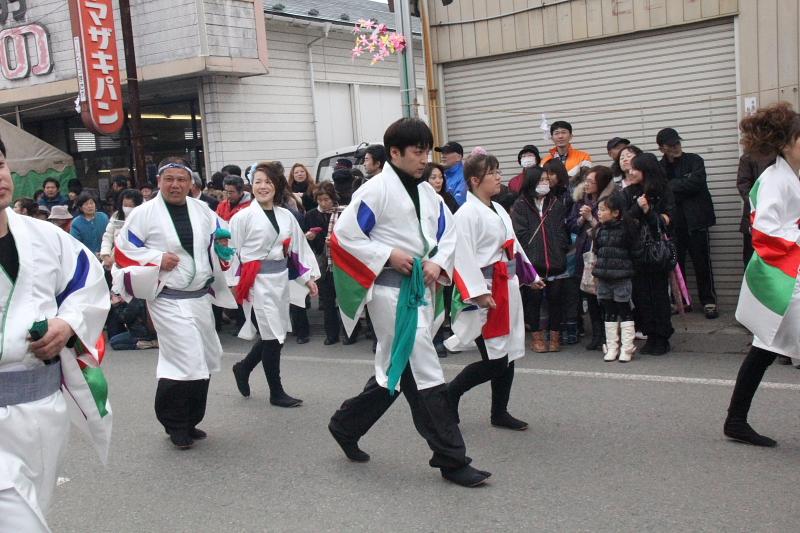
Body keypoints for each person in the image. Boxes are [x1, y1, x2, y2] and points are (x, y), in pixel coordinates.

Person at [327, 118, 490, 487]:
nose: (424, 159)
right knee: (423, 368)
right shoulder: (373, 192)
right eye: (418, 152)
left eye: (426, 151)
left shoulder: (428, 193)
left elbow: (448, 234)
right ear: (395, 153)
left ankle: (345, 424)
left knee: (395, 370)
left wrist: (436, 261)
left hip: (418, 290)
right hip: (389, 294)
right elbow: (343, 237)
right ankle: (451, 459)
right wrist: (387, 254)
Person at [0, 135, 112, 531]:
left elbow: (88, 284)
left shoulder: (45, 237)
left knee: (36, 502)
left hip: (43, 405)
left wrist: (67, 324)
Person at [112, 157, 237, 449]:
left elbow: (222, 234)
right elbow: (123, 251)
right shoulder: (144, 214)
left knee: (205, 358)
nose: (176, 185)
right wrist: (156, 259)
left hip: (199, 297)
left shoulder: (202, 209)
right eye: (169, 179)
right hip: (168, 298)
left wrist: (222, 248)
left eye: (181, 179)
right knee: (184, 358)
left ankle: (192, 420)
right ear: (159, 182)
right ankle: (174, 424)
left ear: (190, 182)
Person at [444, 152, 543, 430]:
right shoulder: (465, 214)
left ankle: (499, 412)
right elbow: (460, 257)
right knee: (495, 358)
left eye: (499, 171)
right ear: (475, 180)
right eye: (493, 173)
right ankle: (450, 394)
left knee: (508, 353)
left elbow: (514, 246)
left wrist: (529, 274)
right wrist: (477, 292)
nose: (499, 177)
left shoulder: (498, 209)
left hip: (506, 286)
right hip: (486, 290)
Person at [724, 102, 800, 447]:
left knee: (764, 348)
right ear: (787, 143)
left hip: (789, 274)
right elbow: (766, 233)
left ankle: (735, 421)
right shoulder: (774, 180)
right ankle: (735, 421)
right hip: (783, 279)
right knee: (766, 347)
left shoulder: (791, 176)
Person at [229, 162, 319, 407]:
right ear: (252, 185)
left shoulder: (286, 215)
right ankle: (276, 391)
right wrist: (233, 284)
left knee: (275, 334)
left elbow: (298, 249)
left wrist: (308, 277)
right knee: (272, 336)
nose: (262, 186)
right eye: (258, 181)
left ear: (277, 185)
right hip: (256, 281)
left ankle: (244, 367)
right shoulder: (242, 218)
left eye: (268, 181)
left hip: (279, 280)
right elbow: (231, 253)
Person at [656, 127, 718, 319]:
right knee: (677, 264)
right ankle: (682, 301)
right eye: (671, 145)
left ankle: (708, 301)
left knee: (702, 263)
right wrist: (682, 183)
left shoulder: (695, 160)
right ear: (662, 148)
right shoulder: (659, 167)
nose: (676, 147)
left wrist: (673, 186)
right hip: (674, 224)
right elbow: (661, 190)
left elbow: (696, 184)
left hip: (697, 220)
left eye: (678, 143)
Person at [512, 167, 571, 352]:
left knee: (556, 299)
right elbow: (519, 233)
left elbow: (563, 231)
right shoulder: (521, 205)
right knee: (533, 300)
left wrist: (560, 248)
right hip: (532, 262)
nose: (544, 183)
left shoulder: (556, 203)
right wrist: (530, 252)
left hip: (556, 260)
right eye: (540, 180)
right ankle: (536, 337)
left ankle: (555, 336)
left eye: (546, 179)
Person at [623, 153, 675, 355]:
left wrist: (648, 212)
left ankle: (662, 337)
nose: (630, 171)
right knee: (641, 295)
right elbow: (624, 220)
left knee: (659, 294)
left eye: (635, 168)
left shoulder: (663, 192)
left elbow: (667, 222)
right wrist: (638, 208)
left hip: (656, 252)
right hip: (635, 251)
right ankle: (650, 334)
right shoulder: (630, 193)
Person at [569, 165, 617, 350]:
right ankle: (596, 335)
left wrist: (591, 218)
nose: (587, 184)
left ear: (602, 183)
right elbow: (571, 225)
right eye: (586, 181)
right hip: (585, 252)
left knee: (604, 296)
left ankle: (608, 335)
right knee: (589, 293)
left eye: (591, 181)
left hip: (604, 252)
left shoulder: (610, 201)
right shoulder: (581, 199)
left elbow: (610, 228)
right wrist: (581, 219)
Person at [592, 193, 641, 362]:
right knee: (609, 311)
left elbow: (636, 253)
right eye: (598, 209)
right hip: (604, 278)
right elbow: (597, 252)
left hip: (622, 278)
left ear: (616, 212)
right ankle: (612, 347)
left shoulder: (628, 230)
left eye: (603, 210)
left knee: (624, 310)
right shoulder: (598, 230)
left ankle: (627, 348)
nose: (599, 213)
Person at [304, 182, 346, 344]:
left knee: (344, 300)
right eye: (320, 200)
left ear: (333, 198)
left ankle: (350, 333)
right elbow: (306, 240)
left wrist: (337, 241)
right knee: (327, 301)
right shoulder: (311, 215)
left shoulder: (343, 212)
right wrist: (310, 238)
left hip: (342, 262)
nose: (323, 203)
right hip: (323, 262)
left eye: (326, 199)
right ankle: (331, 334)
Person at [736, 153, 774, 267]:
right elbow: (744, 187)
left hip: (784, 222)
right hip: (755, 220)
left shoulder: (786, 154)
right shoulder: (748, 157)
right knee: (753, 264)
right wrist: (764, 206)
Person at [100, 189, 144, 271]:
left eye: (131, 206)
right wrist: (106, 255)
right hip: (114, 260)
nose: (127, 208)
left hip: (135, 262)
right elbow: (107, 236)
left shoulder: (143, 218)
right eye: (125, 205)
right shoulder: (117, 215)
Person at [435, 141, 467, 206]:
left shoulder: (464, 176)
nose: (443, 155)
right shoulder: (442, 174)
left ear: (458, 157)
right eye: (442, 152)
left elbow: (457, 206)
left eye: (447, 152)